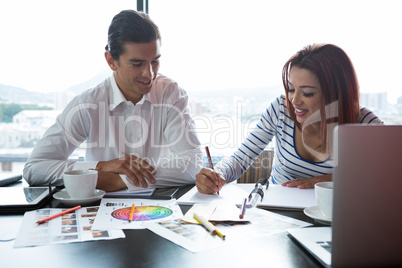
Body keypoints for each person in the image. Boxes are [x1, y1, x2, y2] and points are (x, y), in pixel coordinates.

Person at [23, 10, 202, 192]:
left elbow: (193, 164)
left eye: (155, 61)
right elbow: (34, 169)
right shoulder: (88, 104)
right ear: (111, 61)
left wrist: (118, 181)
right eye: (137, 64)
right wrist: (100, 167)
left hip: (159, 210)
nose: (149, 73)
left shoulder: (170, 93)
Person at [196, 43, 383, 194]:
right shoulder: (280, 109)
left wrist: (333, 180)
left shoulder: (365, 124)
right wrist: (218, 174)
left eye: (308, 93)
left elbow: (388, 178)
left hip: (334, 217)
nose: (294, 100)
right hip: (275, 212)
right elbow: (240, 158)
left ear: (336, 95)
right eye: (291, 89)